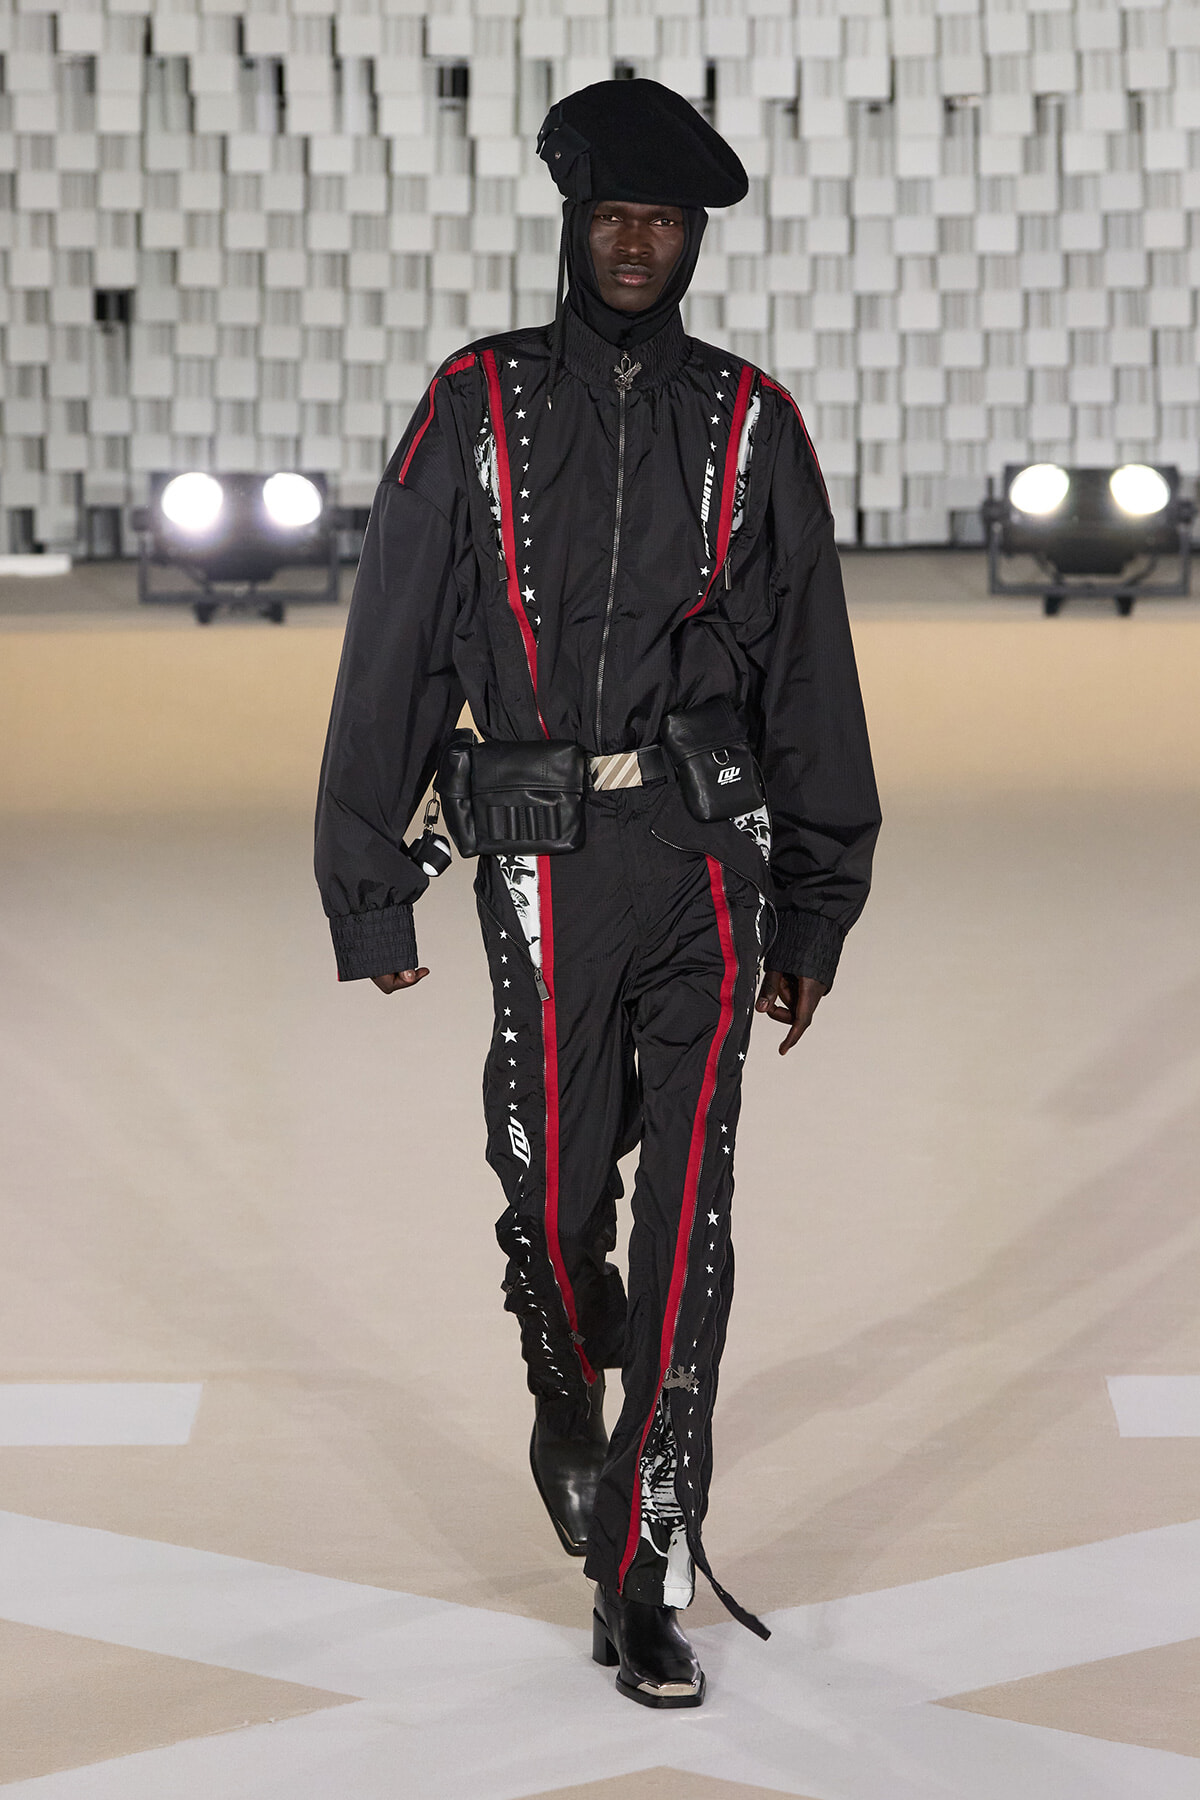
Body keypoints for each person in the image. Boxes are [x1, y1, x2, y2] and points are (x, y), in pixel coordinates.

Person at [315, 78, 881, 1709]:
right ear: (573, 227)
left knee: (691, 1213)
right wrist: (369, 885)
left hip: (707, 861)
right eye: (615, 217)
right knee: (557, 1197)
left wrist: (818, 902)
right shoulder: (474, 405)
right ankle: (569, 1382)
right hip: (540, 864)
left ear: (695, 241)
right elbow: (395, 643)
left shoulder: (755, 422)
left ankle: (648, 1564)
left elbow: (810, 669)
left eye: (665, 222)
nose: (639, 243)